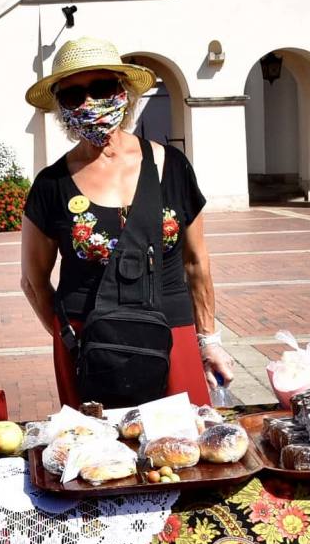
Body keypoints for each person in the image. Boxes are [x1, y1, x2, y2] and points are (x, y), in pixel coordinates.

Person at [19, 37, 233, 408]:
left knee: (183, 448)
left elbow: (196, 264)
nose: (89, 103)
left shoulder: (172, 166)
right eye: (72, 96)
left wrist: (209, 340)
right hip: (91, 337)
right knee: (102, 458)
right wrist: (68, 337)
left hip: (172, 329)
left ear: (123, 92)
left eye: (101, 88)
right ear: (60, 107)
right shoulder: (51, 185)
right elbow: (33, 281)